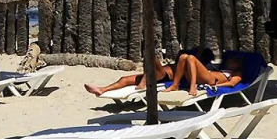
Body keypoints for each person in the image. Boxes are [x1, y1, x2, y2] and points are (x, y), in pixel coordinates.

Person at [83, 48, 212, 96]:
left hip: (164, 76)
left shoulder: (187, 65)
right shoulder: (181, 62)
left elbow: (191, 63)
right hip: (156, 74)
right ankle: (102, 89)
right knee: (124, 79)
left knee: (151, 58)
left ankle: (144, 80)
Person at [165, 52, 244, 97]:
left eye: (233, 62)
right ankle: (175, 85)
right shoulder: (224, 69)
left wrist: (215, 86)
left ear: (239, 65)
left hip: (211, 80)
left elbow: (231, 83)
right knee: (183, 56)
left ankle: (192, 86)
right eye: (230, 61)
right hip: (201, 77)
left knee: (191, 57)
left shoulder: (237, 73)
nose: (230, 62)